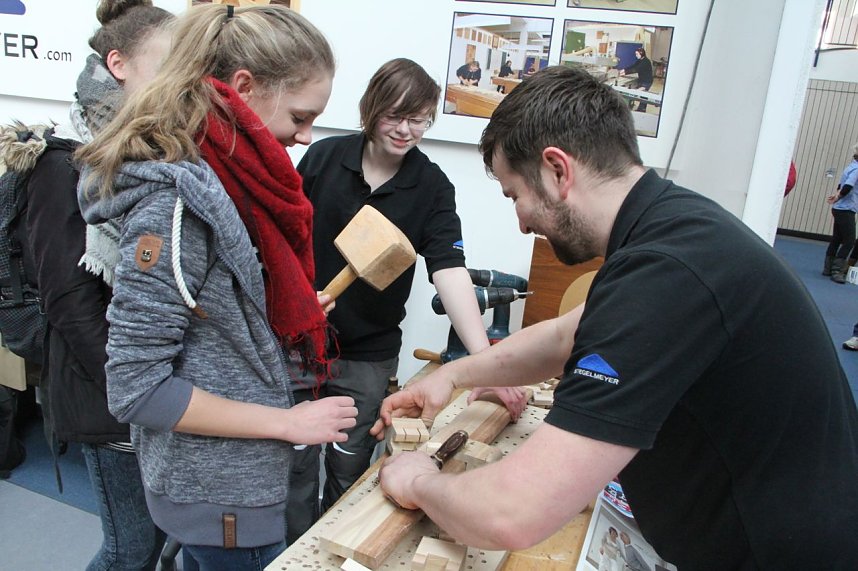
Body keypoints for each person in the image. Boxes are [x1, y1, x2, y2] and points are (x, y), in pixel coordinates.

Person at [371, 65, 858, 569]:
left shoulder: (665, 275)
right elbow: (565, 337)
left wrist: (420, 480)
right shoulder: (671, 226)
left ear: (558, 170)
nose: (521, 223)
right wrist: (451, 375)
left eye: (516, 195)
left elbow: (513, 512)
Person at [75, 5, 358, 570]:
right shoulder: (175, 203)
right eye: (300, 116)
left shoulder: (232, 183)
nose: (306, 137)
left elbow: (215, 313)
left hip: (239, 477)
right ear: (245, 89)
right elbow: (136, 387)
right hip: (217, 487)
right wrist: (287, 422)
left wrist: (271, 315)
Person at [286, 58, 526, 544]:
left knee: (350, 468)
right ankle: (291, 550)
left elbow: (449, 271)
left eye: (419, 119)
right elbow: (282, 239)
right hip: (297, 344)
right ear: (370, 110)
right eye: (394, 116)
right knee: (291, 466)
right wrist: (294, 295)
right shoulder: (324, 158)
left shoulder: (432, 186)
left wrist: (488, 363)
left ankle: (331, 548)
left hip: (368, 356)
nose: (406, 130)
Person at [25, 1, 172, 569]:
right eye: (168, 64)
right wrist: (133, 389)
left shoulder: (150, 154)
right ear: (118, 65)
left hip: (146, 385)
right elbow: (68, 299)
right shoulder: (63, 165)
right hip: (105, 392)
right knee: (130, 548)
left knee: (154, 541)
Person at [826, 143, 858, 281]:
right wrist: (838, 196)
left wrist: (836, 196)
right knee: (849, 241)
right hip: (846, 209)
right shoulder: (857, 169)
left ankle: (827, 268)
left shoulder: (850, 167)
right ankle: (837, 271)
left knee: (837, 238)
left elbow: (841, 185)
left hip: (839, 208)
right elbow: (848, 186)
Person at [619, 48, 653, 113]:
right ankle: (642, 109)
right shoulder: (640, 60)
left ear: (641, 54)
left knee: (642, 95)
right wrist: (623, 70)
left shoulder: (646, 62)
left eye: (637, 54)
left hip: (647, 81)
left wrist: (625, 73)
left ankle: (641, 109)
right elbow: (633, 66)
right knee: (642, 95)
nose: (636, 55)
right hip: (642, 80)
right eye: (636, 54)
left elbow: (636, 69)